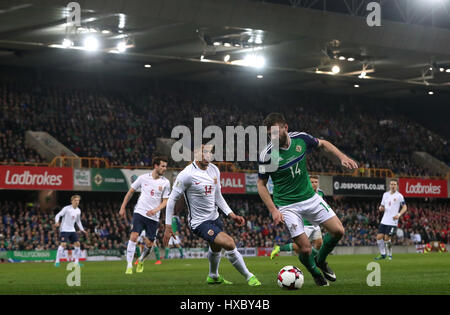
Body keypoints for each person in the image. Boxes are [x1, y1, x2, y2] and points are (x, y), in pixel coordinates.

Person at [257, 113, 358, 286]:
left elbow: (324, 144)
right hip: (288, 205)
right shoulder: (267, 155)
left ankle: (320, 261)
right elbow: (261, 184)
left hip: (310, 198)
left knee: (338, 231)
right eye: (269, 135)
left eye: (275, 133)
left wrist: (342, 157)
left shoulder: (301, 139)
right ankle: (315, 272)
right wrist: (273, 209)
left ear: (285, 128)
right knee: (304, 248)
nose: (272, 137)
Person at [163, 144, 261, 286]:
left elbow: (218, 196)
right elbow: (172, 199)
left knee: (215, 248)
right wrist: (167, 225)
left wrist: (231, 214)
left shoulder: (214, 170)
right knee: (229, 243)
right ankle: (249, 276)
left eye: (210, 153)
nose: (208, 156)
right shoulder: (187, 174)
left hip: (215, 218)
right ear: (196, 153)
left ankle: (213, 276)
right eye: (205, 153)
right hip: (199, 223)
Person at [119, 156, 170, 274]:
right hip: (140, 212)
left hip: (153, 217)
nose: (165, 168)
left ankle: (141, 260)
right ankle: (129, 266)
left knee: (150, 243)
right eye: (162, 166)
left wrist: (156, 210)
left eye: (165, 166)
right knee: (134, 236)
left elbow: (166, 201)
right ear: (156, 166)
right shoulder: (143, 178)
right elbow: (130, 192)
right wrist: (122, 207)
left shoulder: (165, 182)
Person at [271, 175, 324, 259]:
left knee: (319, 243)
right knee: (299, 246)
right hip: (305, 225)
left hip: (315, 224)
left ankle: (313, 257)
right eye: (312, 182)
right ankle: (279, 248)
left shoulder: (321, 193)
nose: (314, 184)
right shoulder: (303, 192)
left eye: (316, 182)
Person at [375, 179, 407, 260]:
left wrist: (399, 214)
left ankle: (389, 255)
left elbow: (405, 207)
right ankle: (383, 254)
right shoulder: (385, 194)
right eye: (392, 184)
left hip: (392, 221)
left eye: (394, 184)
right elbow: (382, 206)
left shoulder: (399, 196)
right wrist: (381, 208)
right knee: (379, 237)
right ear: (389, 185)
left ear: (397, 186)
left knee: (386, 238)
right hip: (384, 220)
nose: (393, 186)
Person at [54, 195, 87, 267]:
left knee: (77, 244)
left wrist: (82, 229)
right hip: (64, 229)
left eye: (78, 200)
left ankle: (76, 262)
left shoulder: (78, 210)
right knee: (63, 244)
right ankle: (57, 261)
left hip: (72, 229)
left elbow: (78, 221)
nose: (77, 202)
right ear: (72, 201)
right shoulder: (67, 208)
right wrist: (56, 222)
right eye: (75, 200)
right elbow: (58, 215)